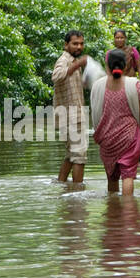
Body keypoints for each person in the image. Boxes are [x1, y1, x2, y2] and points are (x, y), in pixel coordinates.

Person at [91, 48, 140, 196]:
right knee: (128, 175)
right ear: (125, 66)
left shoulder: (97, 86)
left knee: (112, 177)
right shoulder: (135, 85)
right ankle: (128, 212)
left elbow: (95, 113)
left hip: (106, 139)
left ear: (107, 66)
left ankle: (113, 211)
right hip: (128, 139)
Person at [52, 29, 89, 183]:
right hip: (71, 116)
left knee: (71, 154)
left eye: (81, 44)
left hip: (72, 115)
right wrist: (77, 65)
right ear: (66, 45)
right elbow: (56, 76)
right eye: (75, 44)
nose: (79, 47)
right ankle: (77, 194)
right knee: (79, 156)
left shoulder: (73, 62)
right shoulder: (65, 60)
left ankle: (61, 184)